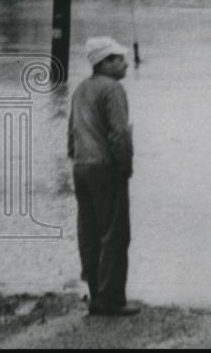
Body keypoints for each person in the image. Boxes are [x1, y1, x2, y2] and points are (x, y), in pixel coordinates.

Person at [68, 37, 140, 317]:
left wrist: (75, 157)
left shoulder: (81, 89)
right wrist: (125, 166)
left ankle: (96, 293)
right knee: (114, 233)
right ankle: (112, 299)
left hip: (81, 165)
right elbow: (119, 133)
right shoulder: (113, 89)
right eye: (119, 58)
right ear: (105, 63)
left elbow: (71, 132)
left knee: (89, 231)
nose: (125, 63)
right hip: (105, 166)